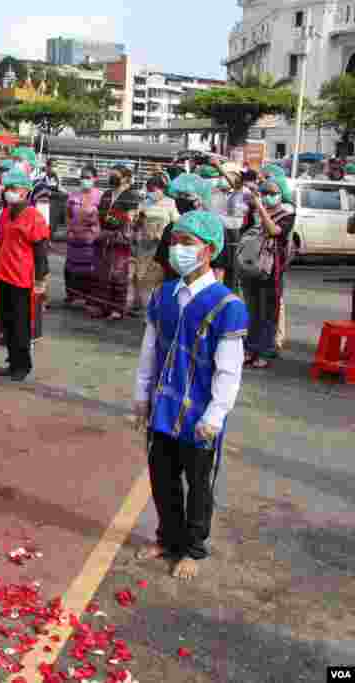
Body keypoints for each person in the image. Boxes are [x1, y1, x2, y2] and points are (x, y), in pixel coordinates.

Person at [133, 209, 247, 581]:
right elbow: (150, 349)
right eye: (175, 242)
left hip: (200, 413)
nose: (177, 249)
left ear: (209, 250)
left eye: (188, 243)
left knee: (199, 484)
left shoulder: (227, 306)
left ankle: (194, 548)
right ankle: (168, 538)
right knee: (161, 476)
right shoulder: (164, 295)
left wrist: (216, 415)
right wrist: (140, 396)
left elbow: (229, 369)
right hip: (163, 407)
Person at [0, 170, 50, 380]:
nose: (9, 192)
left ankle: (22, 366)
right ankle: (11, 361)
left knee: (21, 324)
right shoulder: (6, 214)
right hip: (4, 275)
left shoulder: (34, 217)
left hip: (23, 278)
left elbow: (41, 250)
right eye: (7, 188)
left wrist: (40, 279)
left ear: (25, 191)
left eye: (14, 189)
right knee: (7, 323)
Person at [240, 178, 294, 369]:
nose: (268, 197)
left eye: (273, 193)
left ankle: (264, 352)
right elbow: (243, 235)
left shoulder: (286, 214)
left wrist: (261, 209)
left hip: (272, 270)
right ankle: (250, 349)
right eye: (265, 193)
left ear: (281, 195)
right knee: (252, 311)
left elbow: (274, 231)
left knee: (268, 313)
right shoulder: (252, 212)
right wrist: (252, 208)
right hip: (249, 267)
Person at [92, 162, 143, 320]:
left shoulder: (132, 195)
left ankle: (117, 308)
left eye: (116, 176)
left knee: (119, 274)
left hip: (121, 238)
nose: (111, 178)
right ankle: (102, 305)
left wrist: (115, 219)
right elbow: (101, 214)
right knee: (102, 273)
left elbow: (132, 219)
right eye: (110, 175)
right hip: (104, 237)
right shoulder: (107, 193)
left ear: (126, 178)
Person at [132, 173, 179, 311]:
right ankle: (139, 302)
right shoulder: (144, 203)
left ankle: (158, 305)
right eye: (149, 190)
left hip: (161, 245)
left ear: (161, 189)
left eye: (153, 190)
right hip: (145, 244)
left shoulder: (170, 203)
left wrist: (164, 235)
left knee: (158, 275)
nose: (151, 193)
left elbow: (176, 222)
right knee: (140, 274)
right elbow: (135, 224)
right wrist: (139, 219)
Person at [64, 166, 103, 307]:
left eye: (88, 177)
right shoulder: (73, 195)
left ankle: (89, 297)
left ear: (95, 179)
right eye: (82, 177)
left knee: (89, 269)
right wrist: (69, 230)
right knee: (71, 268)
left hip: (91, 240)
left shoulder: (100, 196)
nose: (84, 180)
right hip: (74, 239)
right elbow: (68, 214)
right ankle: (72, 295)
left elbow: (103, 217)